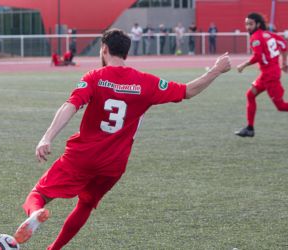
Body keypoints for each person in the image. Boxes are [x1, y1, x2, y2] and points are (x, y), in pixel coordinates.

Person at [13, 28, 231, 250]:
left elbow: (71, 105)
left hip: (83, 156)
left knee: (39, 193)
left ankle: (35, 213)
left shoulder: (95, 77)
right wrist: (216, 70)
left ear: (104, 49)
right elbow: (188, 91)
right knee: (85, 205)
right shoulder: (145, 82)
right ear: (126, 53)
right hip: (113, 165)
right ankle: (53, 249)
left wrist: (47, 137)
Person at [235, 13, 288, 137]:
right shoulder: (269, 35)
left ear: (258, 24)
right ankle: (250, 128)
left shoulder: (255, 37)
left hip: (270, 76)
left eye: (250, 24)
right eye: (246, 24)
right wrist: (284, 62)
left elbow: (257, 56)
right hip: (268, 74)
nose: (248, 27)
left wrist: (243, 65)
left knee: (281, 106)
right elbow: (283, 44)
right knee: (250, 95)